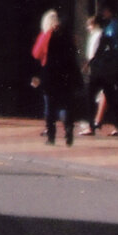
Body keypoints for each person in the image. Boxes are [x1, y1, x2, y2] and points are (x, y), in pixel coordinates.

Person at [30, 10, 80, 146]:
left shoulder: (46, 35)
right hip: (66, 73)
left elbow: (36, 53)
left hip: (50, 73)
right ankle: (68, 129)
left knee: (50, 106)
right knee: (65, 104)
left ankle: (51, 136)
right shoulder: (67, 35)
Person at [81, 15, 118, 136]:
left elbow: (92, 54)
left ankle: (91, 126)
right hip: (107, 71)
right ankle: (117, 126)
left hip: (96, 71)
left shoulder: (95, 36)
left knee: (89, 96)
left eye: (89, 25)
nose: (88, 28)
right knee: (110, 96)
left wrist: (88, 65)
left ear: (94, 25)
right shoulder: (105, 35)